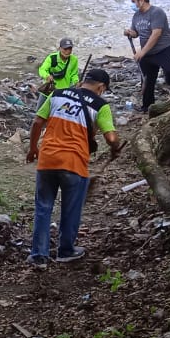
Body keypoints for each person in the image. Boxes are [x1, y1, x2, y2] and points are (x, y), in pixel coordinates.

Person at [25, 69, 124, 267]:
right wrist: (115, 148)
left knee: (43, 208)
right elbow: (111, 137)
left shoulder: (57, 94)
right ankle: (66, 250)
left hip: (48, 159)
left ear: (84, 81)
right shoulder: (100, 105)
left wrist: (33, 149)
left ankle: (38, 256)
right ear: (101, 87)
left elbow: (37, 122)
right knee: (71, 209)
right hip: (74, 162)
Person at [124, 0, 170, 111]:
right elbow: (137, 33)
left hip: (164, 49)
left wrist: (142, 52)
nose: (132, 4)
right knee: (147, 79)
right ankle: (147, 106)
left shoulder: (156, 12)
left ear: (141, 0)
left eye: (133, 1)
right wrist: (130, 32)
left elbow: (156, 34)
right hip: (148, 52)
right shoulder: (136, 16)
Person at [35, 38, 80, 108]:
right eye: (65, 49)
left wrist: (76, 82)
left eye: (70, 49)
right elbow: (42, 70)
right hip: (48, 91)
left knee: (58, 113)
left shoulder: (74, 60)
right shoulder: (52, 58)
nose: (67, 51)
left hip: (63, 93)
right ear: (60, 48)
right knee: (39, 111)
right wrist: (47, 76)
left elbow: (74, 74)